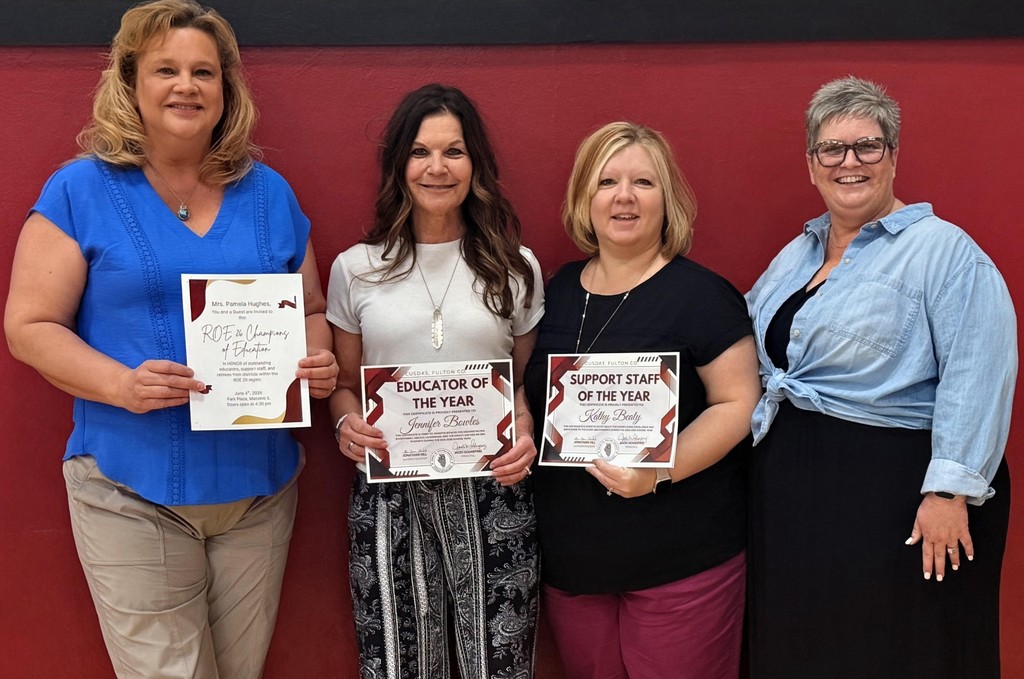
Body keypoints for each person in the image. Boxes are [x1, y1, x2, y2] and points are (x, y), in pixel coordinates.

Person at [3, 1, 338, 676]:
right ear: (131, 83)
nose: (187, 85)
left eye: (204, 72)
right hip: (129, 490)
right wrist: (121, 385)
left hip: (256, 494)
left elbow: (311, 306)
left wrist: (317, 359)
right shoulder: (79, 191)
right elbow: (28, 326)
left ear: (226, 90)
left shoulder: (270, 194)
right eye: (166, 69)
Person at [745, 76, 1016, 678]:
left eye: (867, 146)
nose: (850, 163)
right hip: (794, 490)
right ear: (811, 163)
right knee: (807, 646)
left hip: (895, 493)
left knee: (894, 648)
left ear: (893, 156)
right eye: (832, 150)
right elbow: (750, 349)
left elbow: (978, 373)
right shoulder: (797, 254)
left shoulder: (946, 252)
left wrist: (949, 492)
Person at [522, 122, 762, 679]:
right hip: (575, 566)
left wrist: (658, 471)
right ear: (585, 197)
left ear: (668, 199)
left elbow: (739, 403)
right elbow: (525, 386)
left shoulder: (703, 296)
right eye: (607, 181)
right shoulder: (554, 293)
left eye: (643, 183)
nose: (623, 196)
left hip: (682, 562)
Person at [326, 84, 543, 678]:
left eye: (454, 151)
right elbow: (344, 383)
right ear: (400, 164)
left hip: (494, 489)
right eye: (421, 152)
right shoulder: (357, 268)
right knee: (397, 663)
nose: (437, 167)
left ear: (476, 164)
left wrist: (523, 426)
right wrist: (347, 422)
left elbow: (520, 384)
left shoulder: (516, 266)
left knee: (497, 661)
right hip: (388, 493)